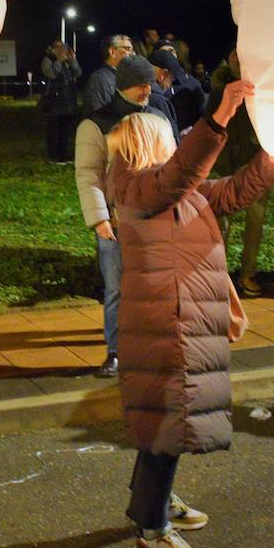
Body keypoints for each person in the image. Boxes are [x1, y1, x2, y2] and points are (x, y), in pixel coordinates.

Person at [109, 81, 274, 548]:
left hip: (184, 323)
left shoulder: (175, 193)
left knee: (167, 422)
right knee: (170, 424)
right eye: (167, 137)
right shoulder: (136, 188)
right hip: (168, 325)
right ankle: (151, 532)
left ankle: (156, 503)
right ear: (148, 144)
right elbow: (181, 173)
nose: (174, 142)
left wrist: (273, 160)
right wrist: (221, 116)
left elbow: (230, 192)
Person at [74, 55, 173, 377]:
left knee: (156, 287)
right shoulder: (96, 123)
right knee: (117, 288)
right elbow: (88, 174)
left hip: (156, 219)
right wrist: (99, 218)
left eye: (150, 82)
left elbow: (173, 166)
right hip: (116, 222)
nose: (148, 88)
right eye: (141, 83)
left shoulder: (159, 116)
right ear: (123, 85)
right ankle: (116, 351)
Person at [209, 49, 274, 295]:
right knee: (220, 226)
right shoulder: (218, 88)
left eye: (241, 54)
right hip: (223, 167)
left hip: (254, 164)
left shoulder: (260, 87)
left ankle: (248, 274)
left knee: (255, 221)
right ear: (228, 60)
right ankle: (220, 277)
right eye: (233, 55)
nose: (237, 59)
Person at [38, 40, 82, 162]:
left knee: (65, 131)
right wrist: (59, 60)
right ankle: (53, 156)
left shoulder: (67, 61)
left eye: (61, 46)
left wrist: (72, 60)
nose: (60, 49)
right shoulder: (47, 60)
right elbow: (51, 74)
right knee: (53, 131)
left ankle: (63, 155)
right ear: (50, 48)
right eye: (56, 47)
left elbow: (78, 73)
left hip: (68, 101)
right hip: (53, 103)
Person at [81, 34, 135, 116]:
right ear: (112, 51)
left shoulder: (125, 76)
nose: (133, 54)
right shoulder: (98, 79)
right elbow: (94, 115)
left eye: (132, 50)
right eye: (128, 49)